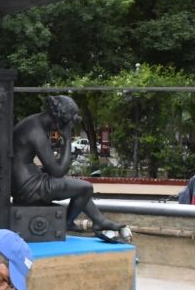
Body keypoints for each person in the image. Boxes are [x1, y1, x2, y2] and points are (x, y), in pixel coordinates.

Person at [11, 95, 127, 240]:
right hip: (29, 188)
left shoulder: (34, 122)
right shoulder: (36, 131)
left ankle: (99, 221)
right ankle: (66, 223)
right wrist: (66, 138)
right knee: (86, 188)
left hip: (23, 181)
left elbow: (50, 167)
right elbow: (58, 171)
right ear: (61, 119)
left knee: (75, 187)